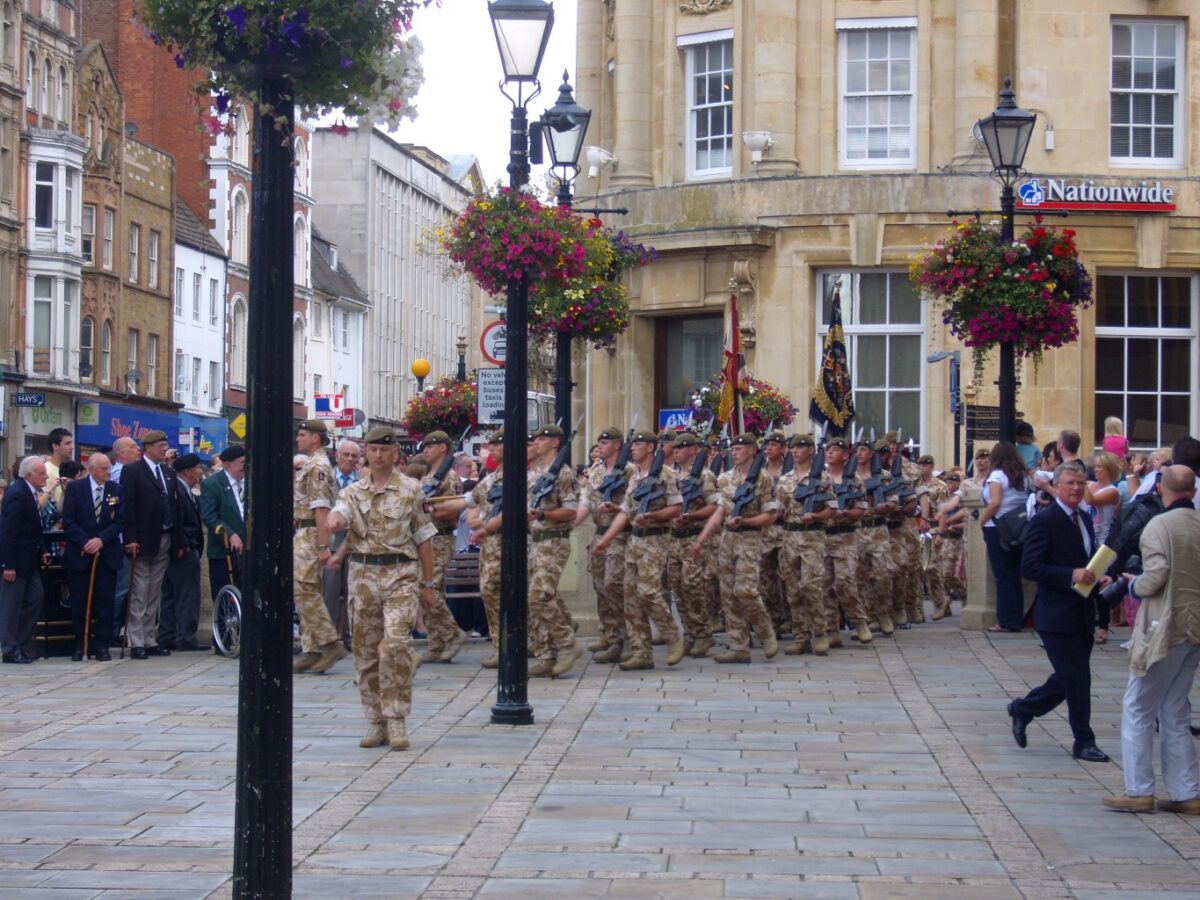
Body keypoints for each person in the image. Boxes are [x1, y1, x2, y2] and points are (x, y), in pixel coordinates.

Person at [326, 426, 437, 751]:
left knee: (395, 645)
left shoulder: (411, 490)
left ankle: (396, 716)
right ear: (366, 454)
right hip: (362, 575)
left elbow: (424, 537)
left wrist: (428, 585)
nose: (377, 455)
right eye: (372, 450)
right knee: (365, 650)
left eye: (383, 450)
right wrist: (333, 521)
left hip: (400, 573)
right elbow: (341, 513)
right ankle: (375, 720)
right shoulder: (353, 492)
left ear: (394, 454)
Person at [1102, 466, 1200, 813]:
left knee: (1138, 705)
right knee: (1174, 707)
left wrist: (1132, 583)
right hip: (1194, 626)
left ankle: (1139, 789)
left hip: (1165, 622)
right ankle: (1186, 791)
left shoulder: (1159, 525)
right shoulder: (1197, 522)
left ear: (1161, 487)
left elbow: (1156, 575)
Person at [1008, 460, 1110, 763]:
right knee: (1077, 677)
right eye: (1070, 483)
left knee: (1069, 677)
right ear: (1058, 486)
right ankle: (1084, 740)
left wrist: (1098, 573)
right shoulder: (1045, 520)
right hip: (1055, 614)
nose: (1077, 488)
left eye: (1081, 483)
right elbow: (1031, 566)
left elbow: (1087, 558)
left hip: (1082, 610)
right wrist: (1070, 575)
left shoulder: (1085, 519)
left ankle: (1023, 708)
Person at [592, 430, 685, 671]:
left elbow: (676, 509)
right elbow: (625, 512)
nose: (633, 448)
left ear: (652, 448)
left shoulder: (666, 475)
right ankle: (641, 651)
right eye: (632, 444)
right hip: (634, 541)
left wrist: (652, 515)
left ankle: (673, 636)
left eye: (639, 444)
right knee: (630, 596)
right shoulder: (635, 477)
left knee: (648, 591)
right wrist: (606, 540)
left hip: (655, 540)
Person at [692, 433, 779, 664]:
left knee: (746, 590)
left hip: (749, 538)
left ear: (752, 450)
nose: (735, 451)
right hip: (726, 539)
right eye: (734, 448)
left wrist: (746, 522)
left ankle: (765, 631)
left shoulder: (763, 479)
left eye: (741, 448)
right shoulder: (724, 478)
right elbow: (719, 511)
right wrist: (701, 539)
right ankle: (738, 645)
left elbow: (770, 515)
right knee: (728, 594)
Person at [120, 430, 184, 659]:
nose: (163, 449)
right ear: (147, 448)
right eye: (159, 445)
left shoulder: (168, 473)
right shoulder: (132, 471)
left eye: (164, 445)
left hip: (164, 537)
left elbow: (174, 506)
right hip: (142, 539)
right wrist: (130, 538)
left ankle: (149, 638)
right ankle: (135, 640)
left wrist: (178, 539)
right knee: (139, 591)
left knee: (154, 592)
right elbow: (128, 507)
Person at [524, 424, 581, 678]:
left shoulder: (563, 473)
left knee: (539, 595)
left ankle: (567, 643)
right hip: (536, 540)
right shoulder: (535, 472)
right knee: (537, 598)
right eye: (535, 438)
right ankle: (545, 654)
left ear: (554, 443)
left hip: (554, 540)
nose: (536, 441)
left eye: (542, 438)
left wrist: (544, 514)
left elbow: (570, 510)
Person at [292, 420, 347, 675]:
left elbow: (321, 508)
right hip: (304, 530)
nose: (298, 439)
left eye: (302, 435)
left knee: (303, 589)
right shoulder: (312, 463)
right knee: (307, 588)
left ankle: (327, 642)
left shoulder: (318, 466)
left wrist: (324, 546)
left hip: (312, 532)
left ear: (315, 438)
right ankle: (311, 648)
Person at [575, 426, 634, 663]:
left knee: (615, 585)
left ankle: (628, 639)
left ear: (618, 445)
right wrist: (571, 524)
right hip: (599, 534)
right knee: (600, 586)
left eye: (606, 442)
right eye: (599, 442)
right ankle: (610, 635)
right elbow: (586, 502)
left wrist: (617, 508)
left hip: (620, 535)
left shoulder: (630, 471)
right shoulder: (596, 471)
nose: (600, 446)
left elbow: (635, 504)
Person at [61, 454, 124, 661]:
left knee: (105, 601)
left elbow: (119, 521)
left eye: (109, 468)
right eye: (104, 468)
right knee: (80, 601)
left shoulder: (116, 490)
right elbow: (69, 521)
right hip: (81, 554)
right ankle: (81, 643)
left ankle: (102, 644)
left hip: (106, 554)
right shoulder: (75, 489)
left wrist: (101, 540)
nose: (108, 472)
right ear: (92, 469)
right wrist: (86, 542)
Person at [415, 431, 469, 665]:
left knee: (428, 588)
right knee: (429, 590)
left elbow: (455, 509)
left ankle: (451, 632)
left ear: (443, 449)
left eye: (430, 445)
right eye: (425, 446)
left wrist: (432, 510)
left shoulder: (449, 478)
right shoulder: (429, 476)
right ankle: (437, 644)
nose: (425, 450)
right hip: (425, 538)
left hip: (439, 537)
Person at [0, 457, 50, 663]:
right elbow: (9, 531)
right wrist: (8, 564)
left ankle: (21, 642)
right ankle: (10, 648)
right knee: (11, 606)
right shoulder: (17, 493)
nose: (46, 476)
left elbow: (33, 528)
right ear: (28, 475)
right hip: (17, 562)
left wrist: (43, 550)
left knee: (36, 597)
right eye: (41, 473)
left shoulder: (30, 492)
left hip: (30, 560)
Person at [158, 454, 207, 651]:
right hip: (182, 551)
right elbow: (178, 520)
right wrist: (185, 544)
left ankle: (167, 635)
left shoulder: (183, 489)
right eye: (197, 468)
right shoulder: (177, 489)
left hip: (179, 550)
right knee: (186, 595)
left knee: (170, 595)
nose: (200, 472)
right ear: (187, 471)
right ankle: (185, 636)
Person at [981, 441, 1029, 633]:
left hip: (997, 527)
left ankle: (1006, 620)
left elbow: (995, 503)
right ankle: (1016, 617)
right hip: (1018, 527)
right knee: (1015, 575)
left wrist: (982, 521)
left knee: (1002, 575)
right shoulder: (1022, 477)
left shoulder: (997, 476)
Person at [466, 430, 504, 668]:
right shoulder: (489, 480)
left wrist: (486, 525)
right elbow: (470, 509)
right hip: (489, 547)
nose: (492, 448)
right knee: (489, 592)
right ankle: (501, 647)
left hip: (511, 544)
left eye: (497, 444)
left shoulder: (526, 477)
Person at [324, 438, 360, 645]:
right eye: (345, 454)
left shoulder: (363, 481)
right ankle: (328, 639)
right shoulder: (326, 479)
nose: (349, 459)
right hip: (331, 543)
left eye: (354, 456)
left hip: (355, 543)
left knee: (353, 593)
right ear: (337, 456)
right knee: (329, 592)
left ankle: (350, 636)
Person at [200, 445, 246, 604]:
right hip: (223, 549)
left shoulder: (249, 482)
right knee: (224, 594)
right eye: (242, 463)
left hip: (247, 548)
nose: (245, 467)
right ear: (227, 464)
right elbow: (209, 515)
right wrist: (230, 533)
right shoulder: (213, 484)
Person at [1085, 451, 1123, 644]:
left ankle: (1103, 627)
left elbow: (1091, 501)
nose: (1095, 470)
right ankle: (1085, 624)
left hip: (1103, 540)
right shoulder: (1090, 485)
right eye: (1095, 466)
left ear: (1109, 469)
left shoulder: (1112, 491)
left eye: (1100, 466)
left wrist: (1080, 480)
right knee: (1084, 583)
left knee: (1100, 583)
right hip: (1087, 537)